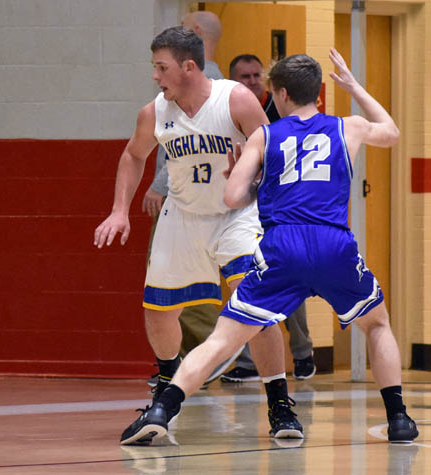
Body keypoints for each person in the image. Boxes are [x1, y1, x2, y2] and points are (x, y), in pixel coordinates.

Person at [120, 50, 418, 446]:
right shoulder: (349, 127)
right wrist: (353, 87)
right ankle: (398, 418)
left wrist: (252, 182)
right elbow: (392, 131)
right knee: (376, 324)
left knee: (223, 339)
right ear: (318, 93)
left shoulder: (265, 135)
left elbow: (231, 197)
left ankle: (163, 409)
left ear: (280, 94)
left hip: (283, 246)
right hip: (333, 244)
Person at [95, 25, 294, 440]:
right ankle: (167, 387)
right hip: (182, 215)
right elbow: (133, 155)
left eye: (161, 67)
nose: (155, 76)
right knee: (158, 311)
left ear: (188, 66)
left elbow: (273, 153)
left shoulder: (235, 99)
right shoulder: (154, 112)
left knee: (255, 308)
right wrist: (119, 211)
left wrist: (254, 180)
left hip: (236, 215)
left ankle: (279, 404)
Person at [142, 10, 233, 390]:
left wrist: (159, 184)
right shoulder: (195, 79)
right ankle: (187, 364)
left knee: (185, 286)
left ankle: (210, 356)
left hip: (196, 200)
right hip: (197, 199)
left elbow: (192, 147)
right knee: (177, 289)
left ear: (194, 33)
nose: (157, 74)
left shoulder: (205, 82)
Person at [221, 53, 316, 383]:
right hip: (246, 207)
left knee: (289, 278)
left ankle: (303, 352)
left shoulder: (283, 110)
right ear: (233, 81)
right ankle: (249, 362)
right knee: (251, 281)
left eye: (255, 75)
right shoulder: (229, 110)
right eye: (244, 76)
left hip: (283, 209)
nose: (251, 81)